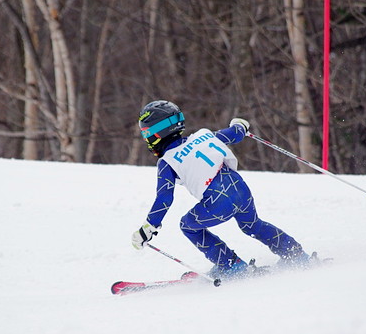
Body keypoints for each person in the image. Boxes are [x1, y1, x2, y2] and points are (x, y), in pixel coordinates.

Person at [131, 100, 311, 279]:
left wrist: (149, 226)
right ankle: (295, 253)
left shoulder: (166, 162)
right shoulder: (204, 135)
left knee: (188, 226)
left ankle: (232, 266)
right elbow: (235, 134)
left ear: (157, 132)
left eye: (146, 133)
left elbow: (164, 198)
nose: (146, 138)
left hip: (218, 201)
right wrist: (240, 125)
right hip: (240, 189)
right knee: (252, 225)